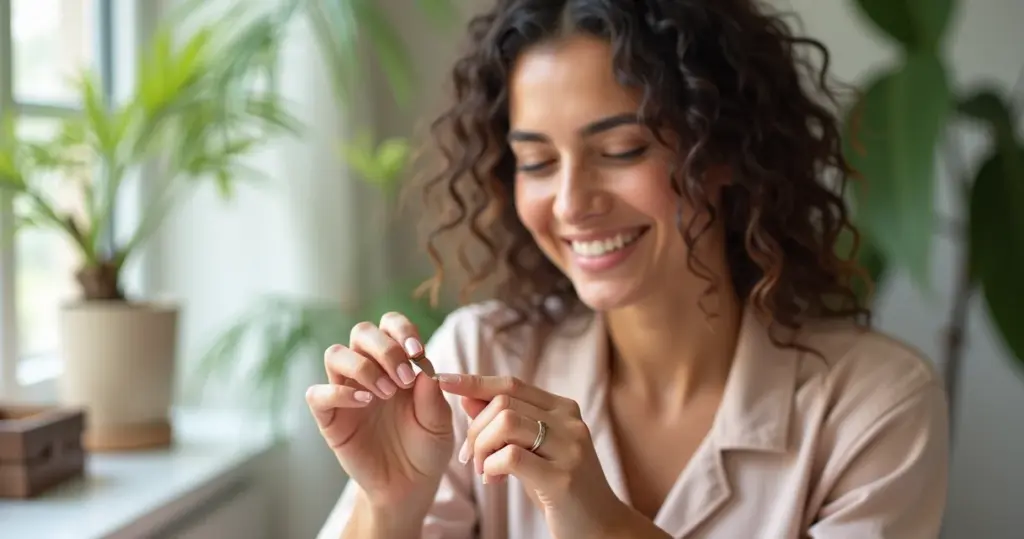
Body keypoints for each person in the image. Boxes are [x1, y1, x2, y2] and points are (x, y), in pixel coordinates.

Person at [307, 0, 950, 537]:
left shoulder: (874, 404)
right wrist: (389, 506)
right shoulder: (481, 354)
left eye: (622, 149)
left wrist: (599, 520)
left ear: (720, 148)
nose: (570, 203)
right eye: (536, 161)